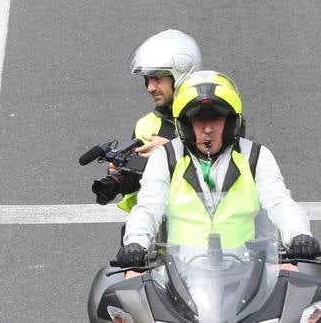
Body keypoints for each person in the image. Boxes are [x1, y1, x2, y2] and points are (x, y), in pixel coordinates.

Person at [118, 71, 320, 265]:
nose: (207, 129)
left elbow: (280, 201)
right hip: (178, 274)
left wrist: (299, 234)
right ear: (185, 124)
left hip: (250, 274)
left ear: (231, 122)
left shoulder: (255, 155)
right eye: (198, 120)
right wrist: (136, 243)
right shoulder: (166, 156)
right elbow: (148, 205)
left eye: (216, 119)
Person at [114, 29, 202, 213]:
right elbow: (138, 200)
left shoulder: (215, 117)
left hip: (211, 235)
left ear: (181, 73)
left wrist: (173, 152)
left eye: (157, 78)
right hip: (164, 236)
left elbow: (228, 175)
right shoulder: (145, 125)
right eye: (147, 80)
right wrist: (123, 179)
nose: (150, 88)